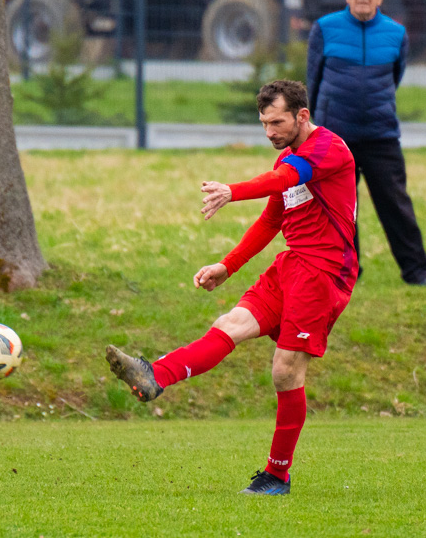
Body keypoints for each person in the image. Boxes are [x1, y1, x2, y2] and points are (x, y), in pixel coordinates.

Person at [105, 80, 358, 495]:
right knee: (231, 323)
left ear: (302, 116)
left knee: (285, 371)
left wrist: (231, 191)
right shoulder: (289, 157)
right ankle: (155, 375)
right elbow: (271, 220)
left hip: (324, 273)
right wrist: (227, 265)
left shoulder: (329, 150)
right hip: (292, 264)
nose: (269, 132)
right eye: (263, 123)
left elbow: (283, 181)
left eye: (276, 122)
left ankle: (277, 475)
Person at [306, 0, 426, 286]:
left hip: (381, 135)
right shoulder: (324, 29)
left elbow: (395, 77)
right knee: (340, 208)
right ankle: (347, 270)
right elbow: (313, 80)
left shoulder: (396, 33)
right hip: (335, 137)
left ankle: (417, 272)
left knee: (396, 206)